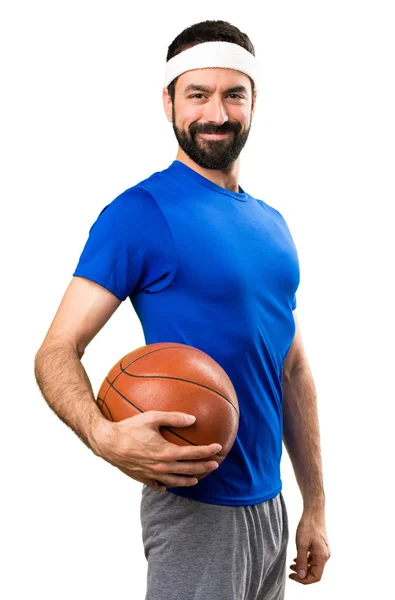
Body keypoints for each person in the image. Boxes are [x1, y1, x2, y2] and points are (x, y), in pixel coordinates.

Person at [34, 19, 330, 600]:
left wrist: (314, 506)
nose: (215, 113)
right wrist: (101, 433)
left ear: (253, 103)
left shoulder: (273, 224)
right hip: (196, 509)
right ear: (168, 101)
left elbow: (291, 370)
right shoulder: (140, 212)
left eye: (232, 94)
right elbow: (55, 350)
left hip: (270, 505)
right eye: (197, 94)